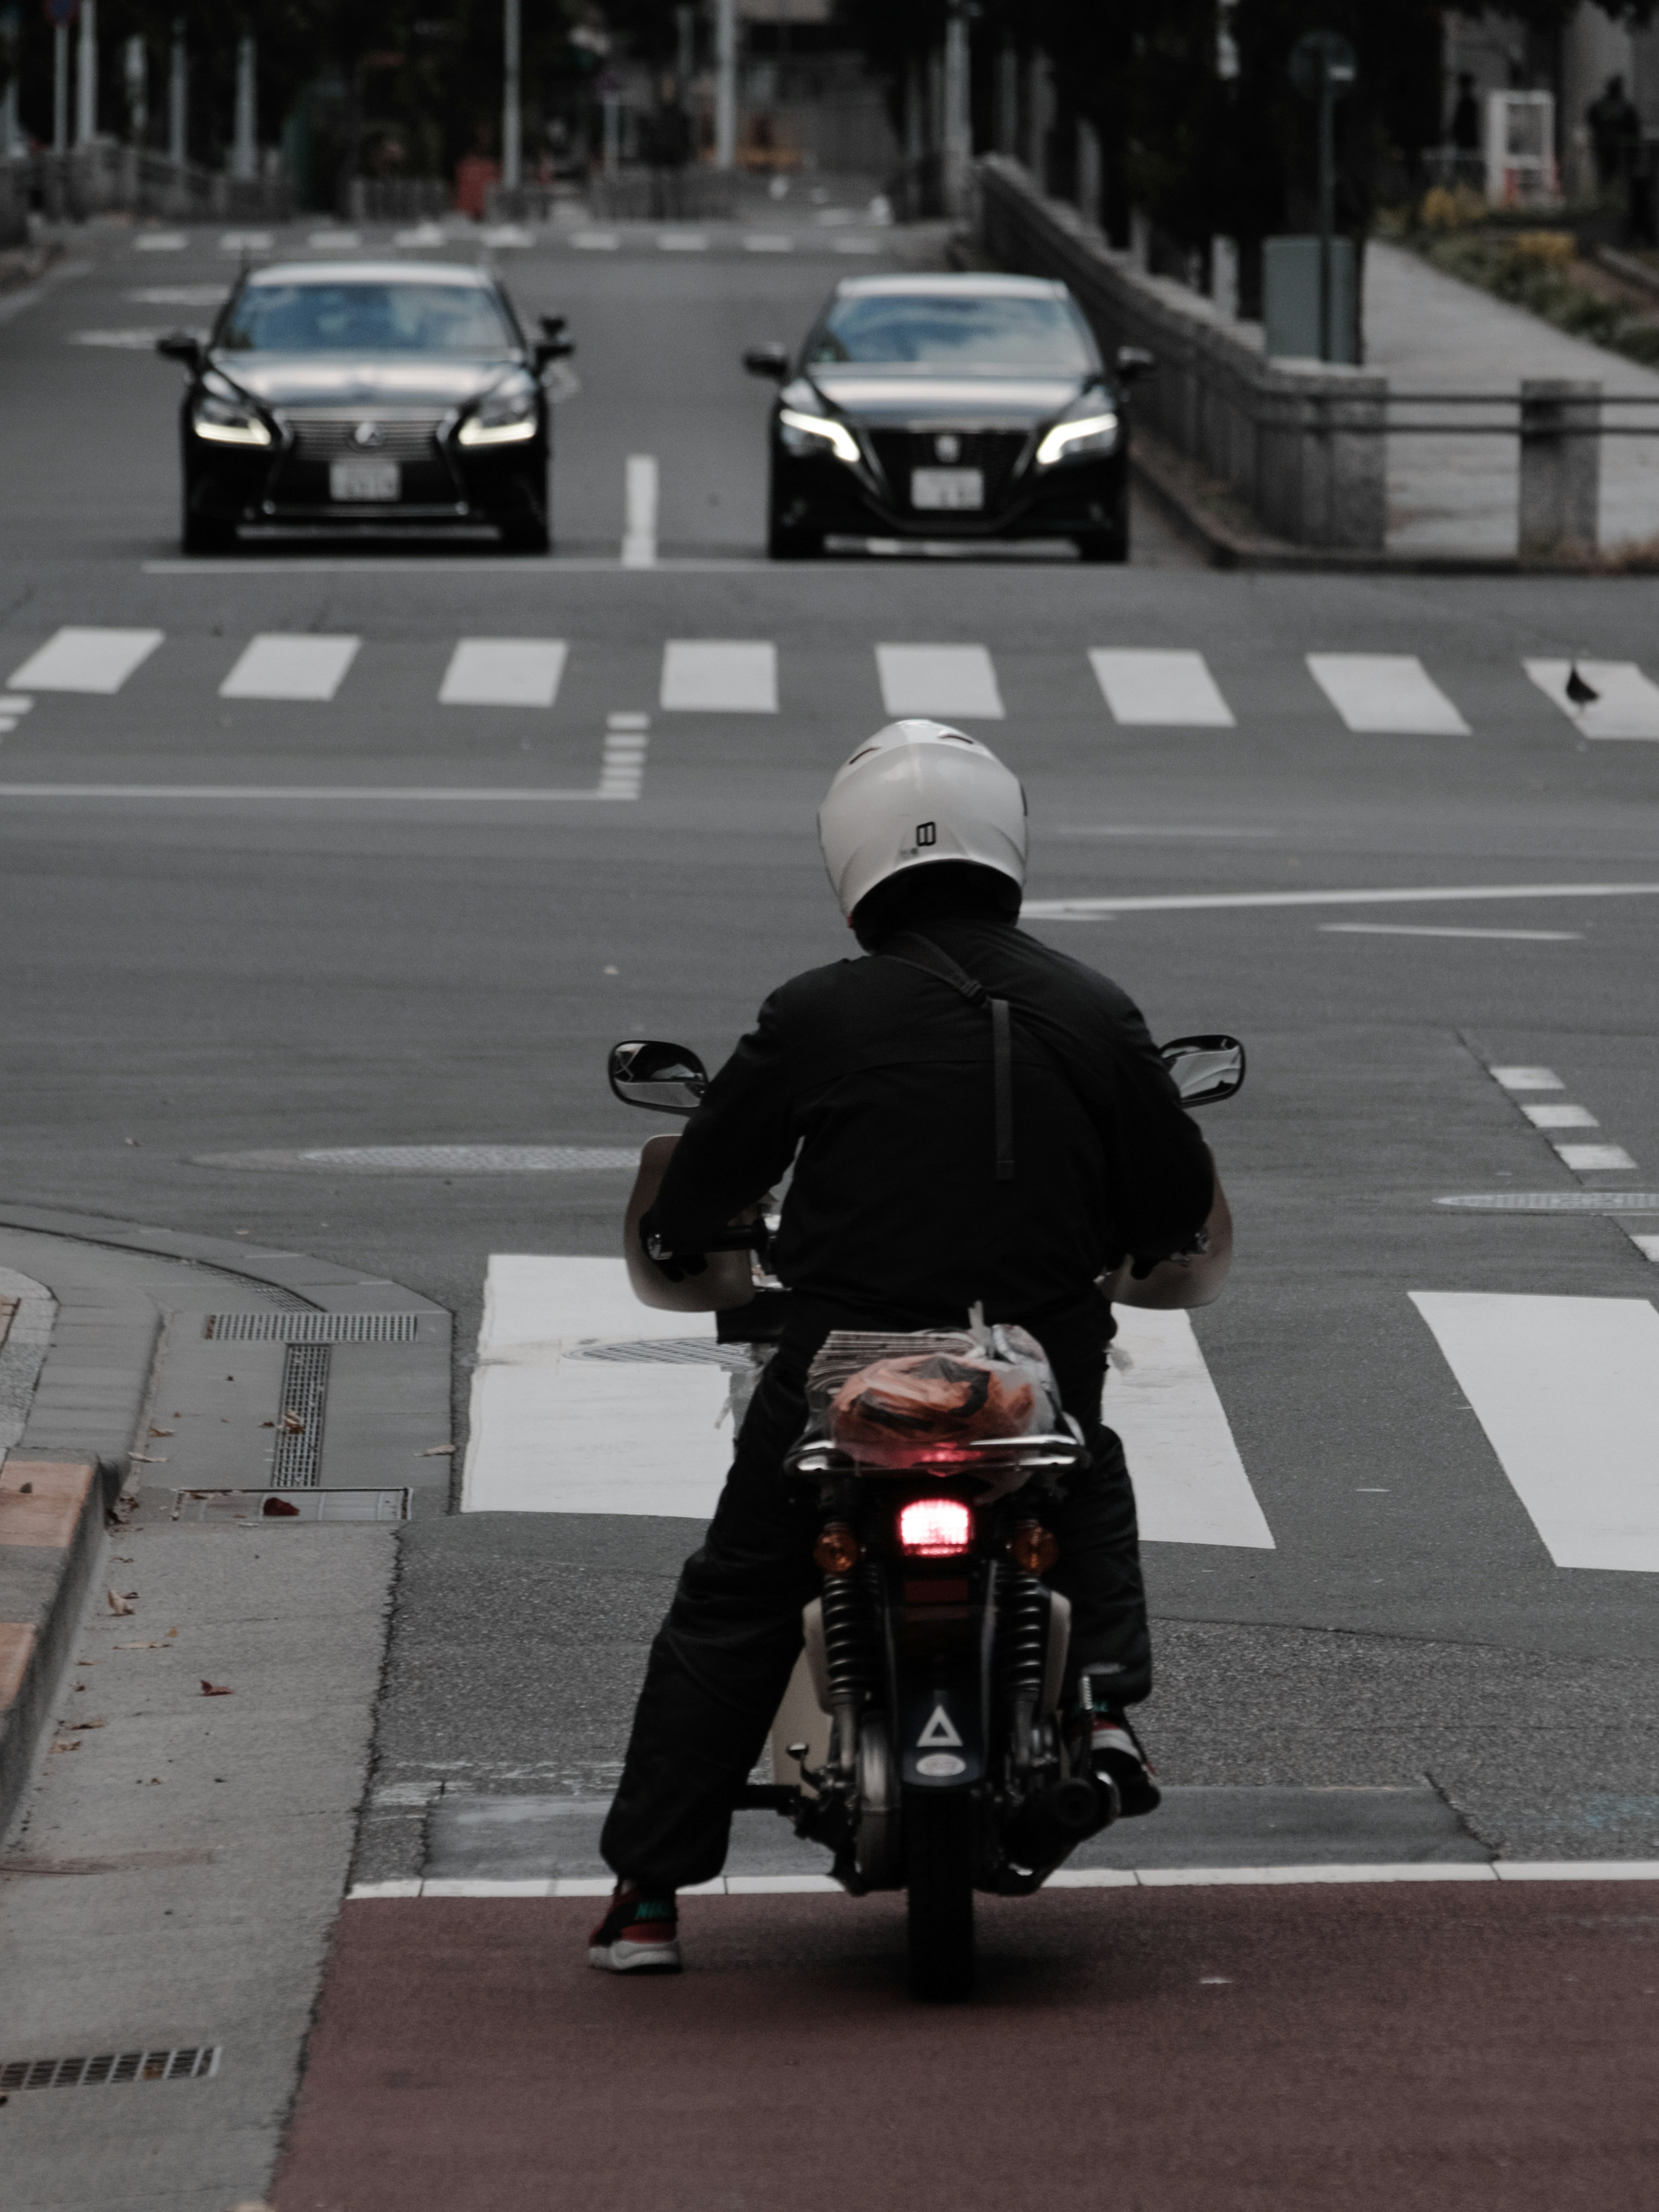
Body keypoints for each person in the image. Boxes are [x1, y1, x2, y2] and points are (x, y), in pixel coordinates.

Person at [589, 720, 1231, 1973]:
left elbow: (712, 1171)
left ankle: (650, 1896)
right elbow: (1171, 1207)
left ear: (855, 854)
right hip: (1028, 1360)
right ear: (1008, 845)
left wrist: (682, 1228)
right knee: (1082, 1470)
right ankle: (1102, 1713)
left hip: (846, 1369)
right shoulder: (1096, 1010)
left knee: (736, 1597)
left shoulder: (818, 1010)